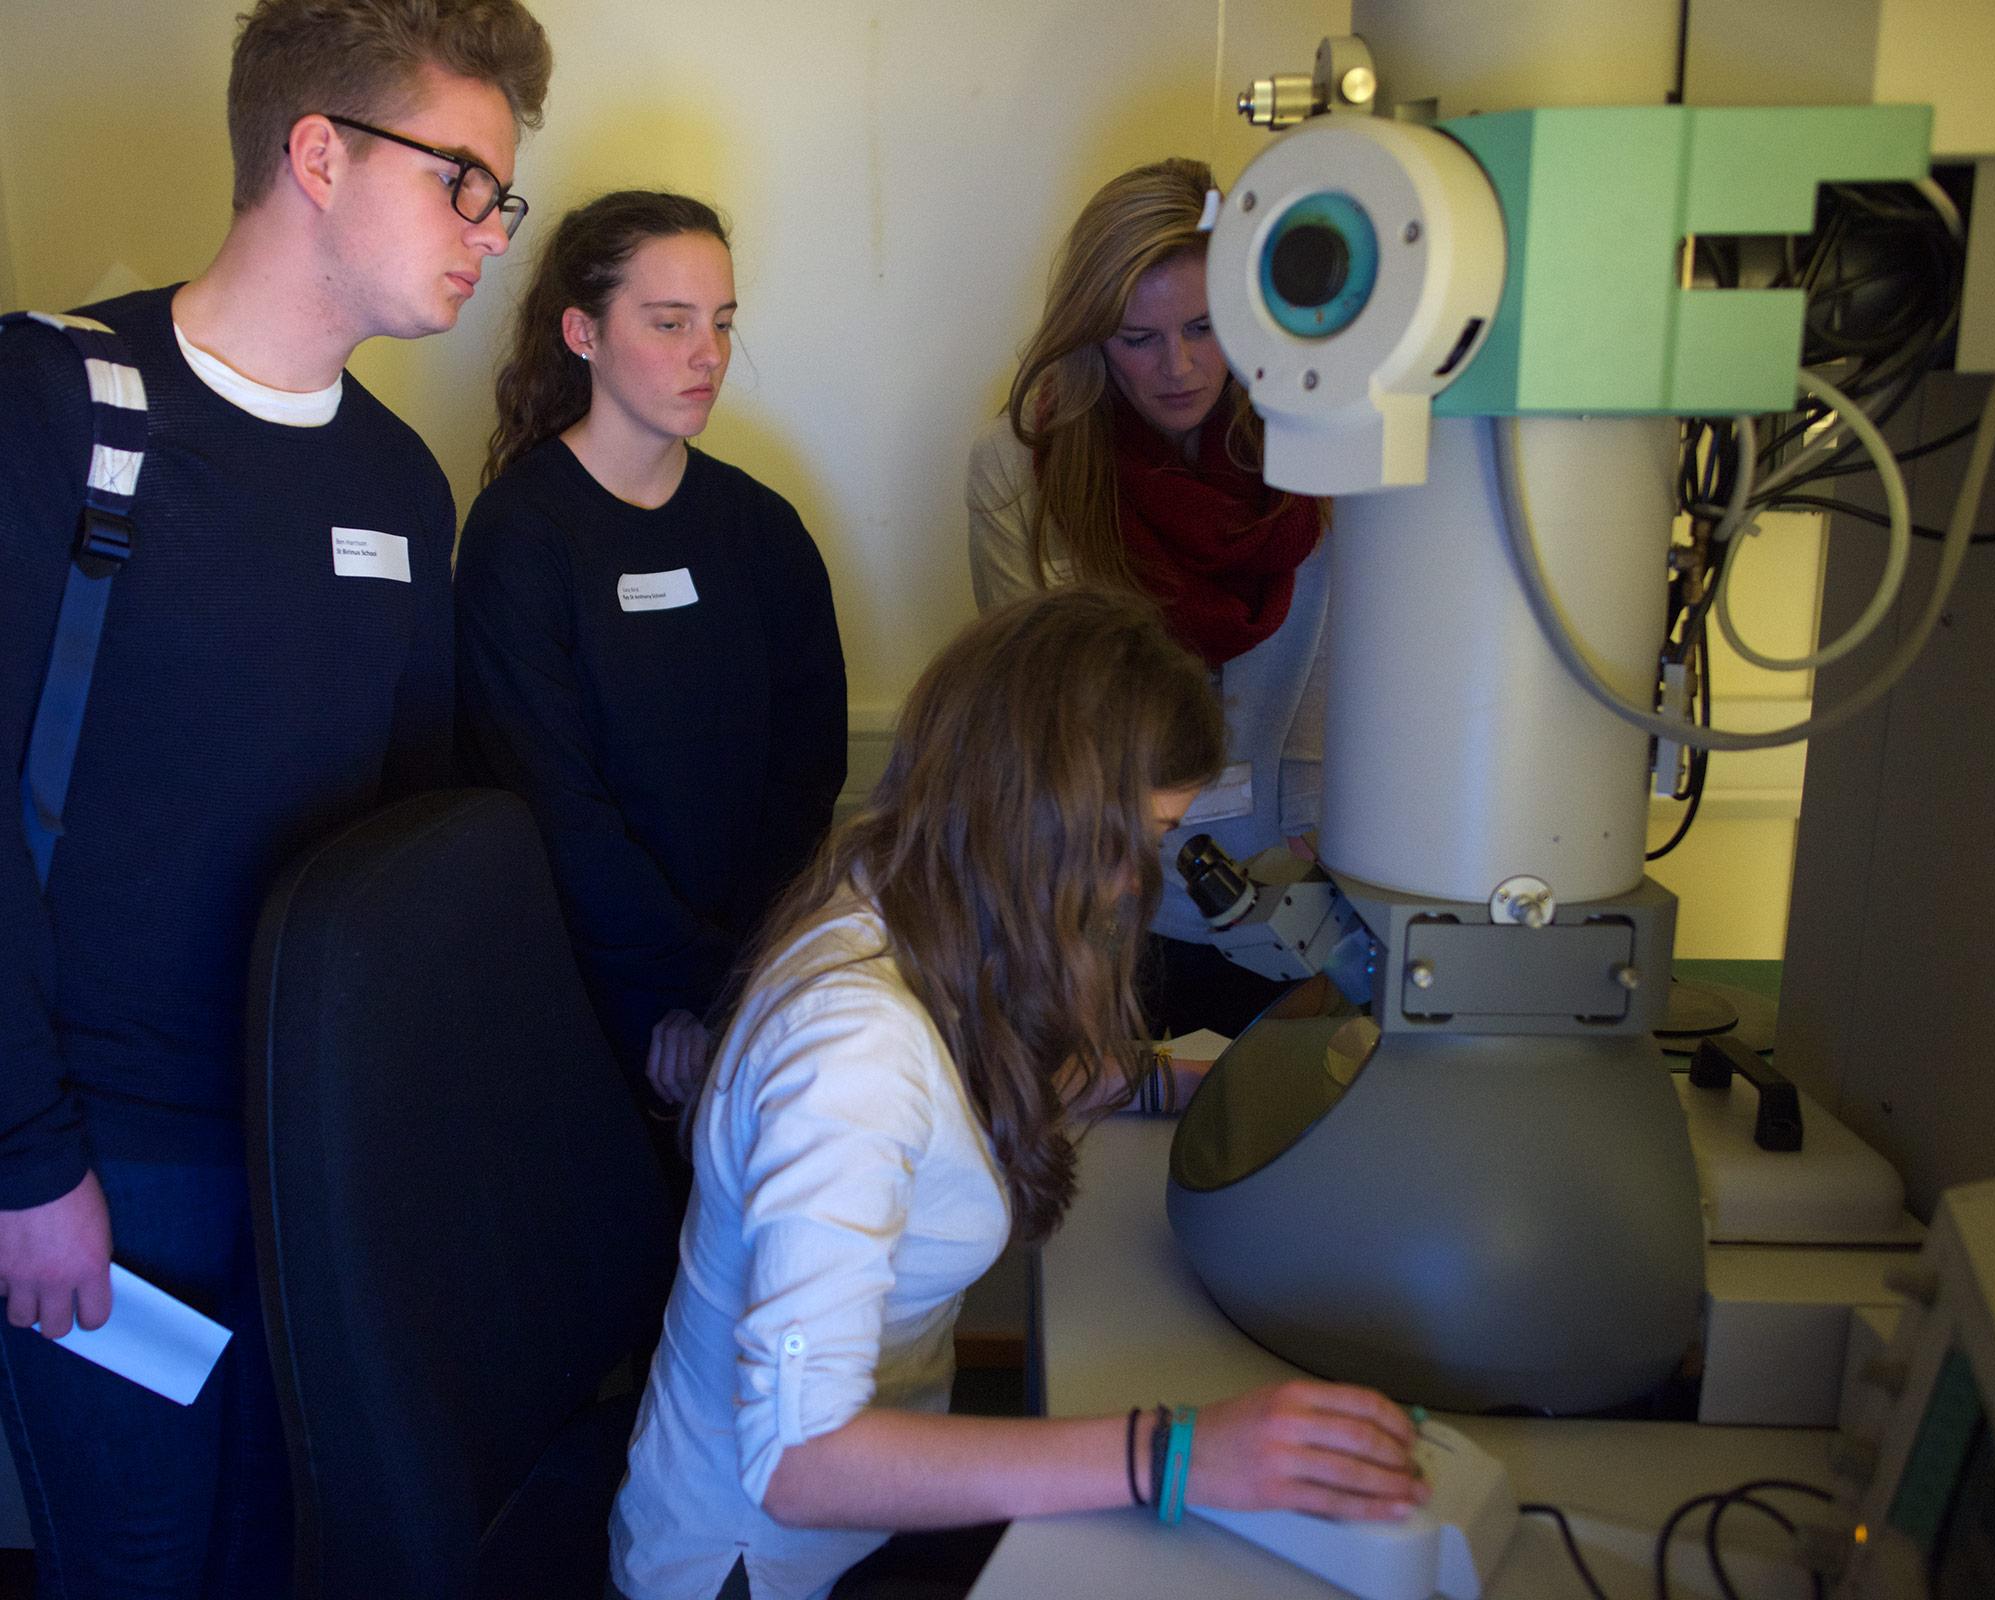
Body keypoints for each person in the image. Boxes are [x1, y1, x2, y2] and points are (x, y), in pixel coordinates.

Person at [0, 1, 551, 1591]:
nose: (491, 236)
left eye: (500, 198)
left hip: (305, 1152)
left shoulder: (398, 482)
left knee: (282, 1548)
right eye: (464, 182)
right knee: (140, 1563)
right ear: (318, 153)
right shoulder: (60, 408)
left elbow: (410, 850)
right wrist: (27, 1165)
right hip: (104, 1161)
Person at [607, 589, 1423, 1600]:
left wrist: (1199, 1084)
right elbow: (800, 1464)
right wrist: (1175, 1453)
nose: (1138, 881)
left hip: (857, 1523)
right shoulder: (850, 1052)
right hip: (760, 1564)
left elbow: (1009, 1069)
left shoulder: (907, 884)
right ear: (1053, 821)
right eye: (1145, 837)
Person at [456, 190, 847, 1151]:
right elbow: (554, 805)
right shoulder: (522, 535)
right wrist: (676, 994)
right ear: (582, 333)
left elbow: (807, 773)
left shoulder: (763, 530)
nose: (707, 354)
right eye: (670, 323)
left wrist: (733, 989)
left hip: (754, 987)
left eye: (720, 324)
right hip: (583, 999)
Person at [967, 157, 1329, 1038]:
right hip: (1108, 917)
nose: (1180, 366)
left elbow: (1363, 682)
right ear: (1090, 336)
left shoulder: (1328, 455)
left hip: (1310, 910)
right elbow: (1037, 726)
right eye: (1139, 338)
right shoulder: (1019, 473)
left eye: (1205, 328)